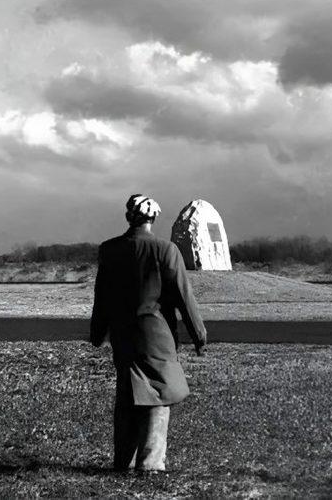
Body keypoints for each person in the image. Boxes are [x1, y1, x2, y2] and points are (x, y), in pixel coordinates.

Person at [89, 193, 207, 473]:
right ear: (153, 217)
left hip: (122, 334)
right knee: (158, 394)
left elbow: (101, 296)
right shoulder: (165, 250)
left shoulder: (109, 250)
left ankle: (124, 461)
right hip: (157, 336)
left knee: (127, 394)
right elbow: (184, 297)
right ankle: (150, 464)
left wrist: (98, 332)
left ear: (128, 216)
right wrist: (199, 336)